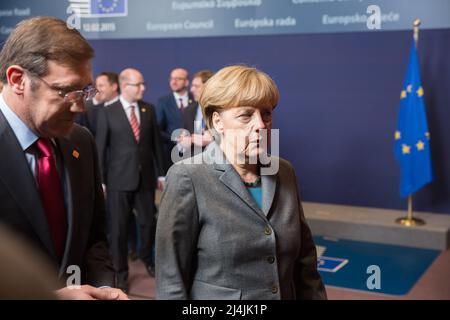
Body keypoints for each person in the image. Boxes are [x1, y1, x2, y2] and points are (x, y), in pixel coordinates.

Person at [155, 65, 327, 300]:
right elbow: (171, 280)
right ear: (217, 122)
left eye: (266, 113)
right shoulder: (188, 176)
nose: (261, 125)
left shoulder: (284, 172)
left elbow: (305, 264)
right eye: (246, 115)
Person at [0, 16, 127, 300]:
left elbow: (94, 240)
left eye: (86, 91)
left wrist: (105, 290)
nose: (81, 106)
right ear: (18, 80)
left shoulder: (81, 141)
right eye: (67, 91)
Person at [96, 68, 165, 293]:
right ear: (125, 86)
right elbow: (100, 148)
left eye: (143, 84)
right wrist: (101, 181)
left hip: (145, 180)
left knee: (147, 224)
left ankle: (146, 256)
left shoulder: (148, 109)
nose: (143, 88)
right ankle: (121, 274)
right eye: (139, 85)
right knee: (118, 230)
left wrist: (162, 173)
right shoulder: (108, 112)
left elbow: (156, 144)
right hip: (117, 181)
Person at [155, 68, 194, 172]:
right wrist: (176, 139)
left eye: (178, 79)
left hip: (194, 153)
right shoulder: (163, 102)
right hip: (171, 154)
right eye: (171, 79)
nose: (174, 81)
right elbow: (158, 129)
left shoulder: (195, 99)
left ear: (186, 82)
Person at [178, 69, 214, 157]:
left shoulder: (220, 110)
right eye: (192, 86)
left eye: (196, 86)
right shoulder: (189, 110)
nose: (191, 89)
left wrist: (212, 141)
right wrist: (182, 143)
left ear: (208, 87)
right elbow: (181, 146)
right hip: (193, 164)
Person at [76, 72, 119, 137]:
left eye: (101, 86)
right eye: (96, 86)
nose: (97, 90)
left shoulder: (128, 109)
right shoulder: (92, 110)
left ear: (114, 87)